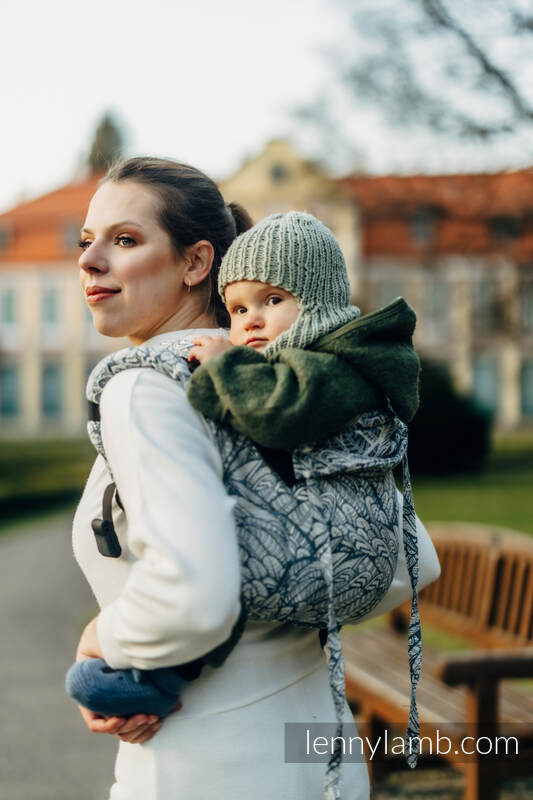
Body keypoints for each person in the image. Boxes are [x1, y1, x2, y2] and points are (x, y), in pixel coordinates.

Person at [72, 155, 440, 800]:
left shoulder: (144, 389)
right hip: (323, 751)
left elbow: (191, 594)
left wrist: (104, 636)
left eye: (124, 239)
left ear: (195, 263)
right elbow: (411, 565)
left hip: (205, 762)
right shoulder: (298, 374)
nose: (90, 260)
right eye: (86, 240)